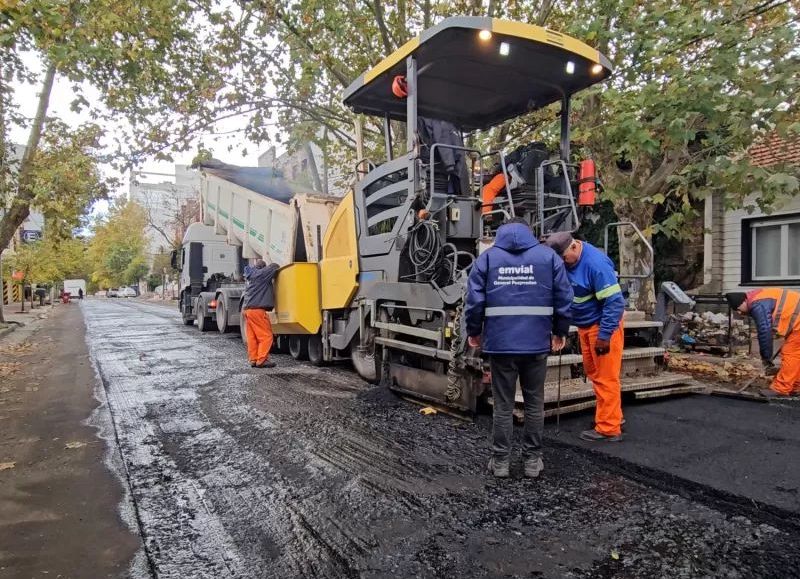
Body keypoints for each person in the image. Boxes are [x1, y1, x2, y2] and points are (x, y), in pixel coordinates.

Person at [465, 217, 573, 478]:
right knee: (534, 402)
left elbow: (474, 301)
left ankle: (500, 462)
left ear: (501, 232)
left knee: (503, 405)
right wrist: (560, 332)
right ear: (529, 231)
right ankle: (532, 462)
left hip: (501, 345)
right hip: (536, 343)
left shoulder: (487, 260)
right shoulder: (548, 258)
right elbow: (564, 297)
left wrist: (473, 332)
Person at [545, 231, 626, 442]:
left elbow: (615, 302)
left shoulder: (595, 264)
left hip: (602, 327)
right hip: (586, 325)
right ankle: (609, 415)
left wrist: (605, 336)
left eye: (563, 258)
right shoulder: (567, 262)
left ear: (574, 247)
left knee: (606, 376)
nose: (562, 263)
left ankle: (609, 428)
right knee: (595, 374)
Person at [726, 289, 800, 398]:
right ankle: (795, 386)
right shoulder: (758, 296)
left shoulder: (757, 305)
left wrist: (766, 357)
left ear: (743, 302)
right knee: (796, 355)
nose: (739, 313)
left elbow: (765, 332)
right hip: (797, 323)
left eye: (738, 309)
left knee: (790, 354)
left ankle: (781, 389)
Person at [242, 258, 280, 368]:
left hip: (248, 310)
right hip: (257, 311)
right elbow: (274, 266)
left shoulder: (250, 274)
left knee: (252, 337)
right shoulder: (261, 274)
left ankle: (253, 359)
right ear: (262, 268)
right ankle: (262, 360)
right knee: (266, 336)